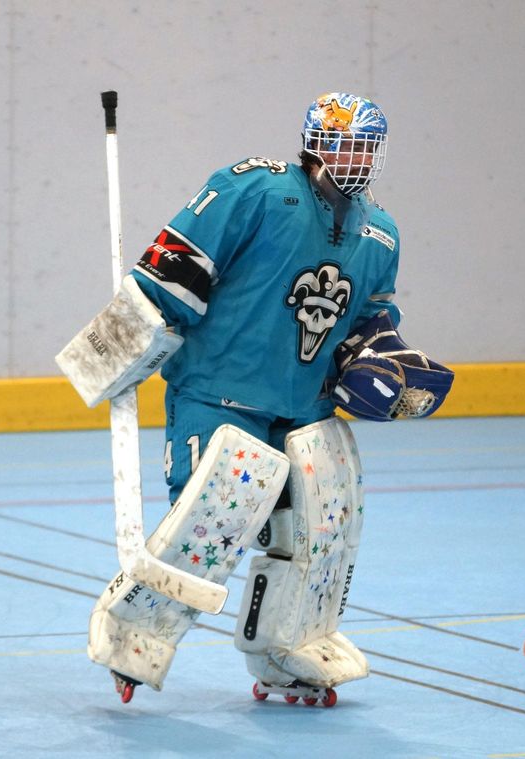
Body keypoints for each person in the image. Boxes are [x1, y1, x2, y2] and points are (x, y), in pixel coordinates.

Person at [57, 92, 453, 705]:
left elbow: (370, 321)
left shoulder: (381, 232)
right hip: (221, 389)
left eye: (367, 148)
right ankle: (134, 635)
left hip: (305, 407)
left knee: (321, 528)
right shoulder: (255, 189)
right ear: (316, 143)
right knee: (214, 518)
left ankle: (288, 648)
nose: (357, 158)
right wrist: (119, 343)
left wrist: (380, 362)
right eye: (346, 144)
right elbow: (175, 267)